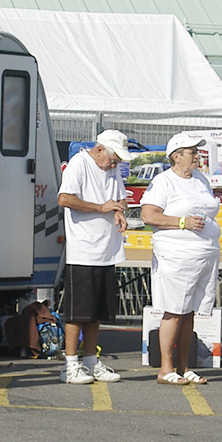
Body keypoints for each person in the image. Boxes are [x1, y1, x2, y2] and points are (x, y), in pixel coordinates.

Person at [138, 133, 220, 386]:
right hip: (176, 255)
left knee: (188, 313)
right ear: (176, 156)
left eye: (197, 152)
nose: (197, 156)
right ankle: (165, 368)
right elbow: (148, 215)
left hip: (203, 255)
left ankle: (184, 367)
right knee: (174, 311)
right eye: (192, 152)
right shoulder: (164, 181)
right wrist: (182, 223)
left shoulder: (200, 179)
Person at [55, 130, 132, 385]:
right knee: (77, 312)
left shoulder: (111, 169)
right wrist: (100, 207)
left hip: (107, 250)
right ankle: (70, 365)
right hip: (83, 250)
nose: (114, 165)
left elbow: (120, 198)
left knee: (96, 311)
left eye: (117, 161)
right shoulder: (79, 164)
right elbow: (64, 198)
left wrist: (119, 211)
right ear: (99, 150)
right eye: (113, 159)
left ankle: (90, 360)